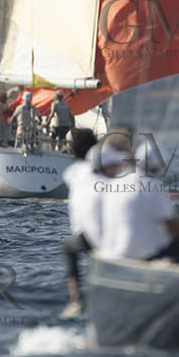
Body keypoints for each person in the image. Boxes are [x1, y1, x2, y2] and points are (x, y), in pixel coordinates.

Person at [97, 137, 179, 264]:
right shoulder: (154, 187)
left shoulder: (115, 183)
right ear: (161, 165)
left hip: (113, 251)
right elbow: (171, 226)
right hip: (142, 253)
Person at [59, 128, 105, 317]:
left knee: (66, 247)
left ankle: (76, 299)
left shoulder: (72, 173)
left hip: (88, 237)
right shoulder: (104, 170)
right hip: (111, 234)